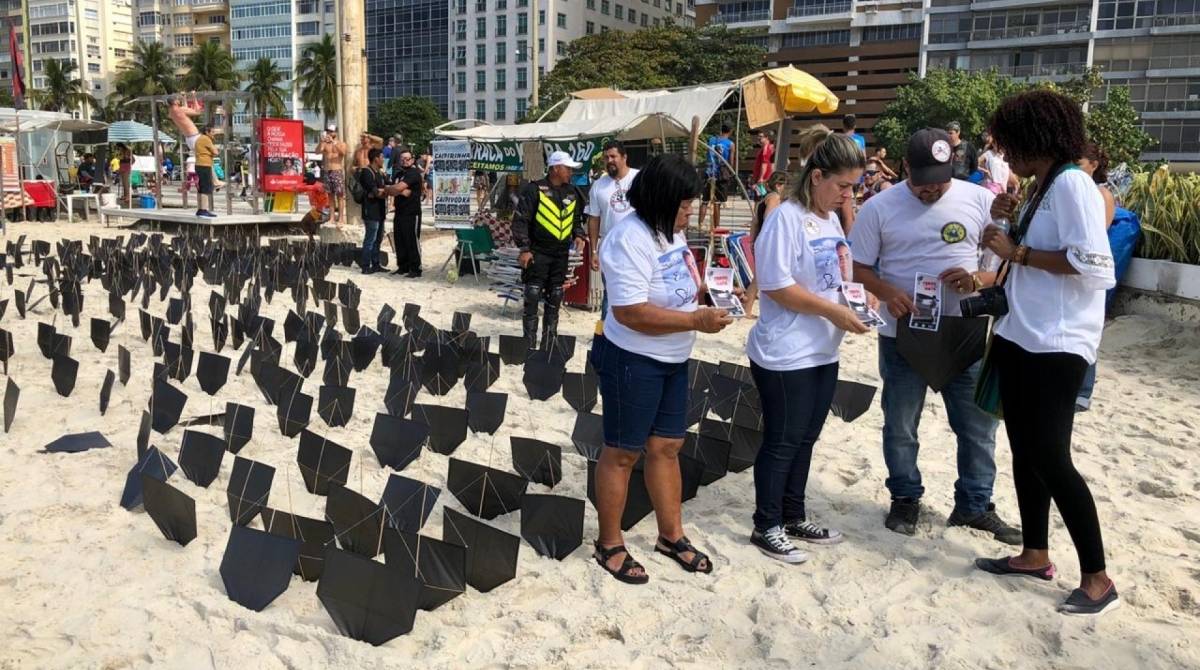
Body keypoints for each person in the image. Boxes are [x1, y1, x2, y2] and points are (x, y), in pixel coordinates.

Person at [975, 90, 1119, 616]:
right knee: (1023, 450)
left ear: (1035, 137)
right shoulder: (1044, 184)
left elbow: (1095, 265)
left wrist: (1019, 252)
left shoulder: (1074, 184)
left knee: (1053, 458)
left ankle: (1098, 579)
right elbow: (1027, 257)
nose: (1002, 153)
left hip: (1057, 344)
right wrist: (1007, 225)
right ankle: (1034, 552)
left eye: (1009, 143)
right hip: (1022, 333)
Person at [849, 128, 1021, 545]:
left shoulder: (979, 200)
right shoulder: (879, 207)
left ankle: (974, 505)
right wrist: (889, 293)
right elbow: (857, 267)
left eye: (940, 182)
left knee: (978, 428)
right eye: (924, 183)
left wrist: (975, 279)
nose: (932, 190)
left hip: (964, 331)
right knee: (901, 424)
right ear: (906, 168)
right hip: (902, 334)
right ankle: (905, 497)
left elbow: (1003, 262)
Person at [590, 152, 736, 583]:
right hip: (633, 359)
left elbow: (679, 286)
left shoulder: (671, 235)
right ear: (660, 199)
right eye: (685, 204)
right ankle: (609, 543)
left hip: (673, 358)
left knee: (667, 447)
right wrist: (695, 320)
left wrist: (712, 293)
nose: (690, 212)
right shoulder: (628, 239)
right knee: (622, 452)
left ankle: (670, 536)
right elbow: (632, 311)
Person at [747, 133, 869, 563]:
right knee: (782, 439)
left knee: (807, 438)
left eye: (853, 186)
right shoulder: (787, 218)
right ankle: (766, 524)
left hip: (823, 350)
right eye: (843, 186)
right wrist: (832, 312)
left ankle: (793, 514)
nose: (848, 195)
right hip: (786, 352)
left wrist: (857, 300)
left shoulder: (830, 218)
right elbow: (777, 286)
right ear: (817, 176)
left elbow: (833, 275)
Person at [512, 151, 588, 348]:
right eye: (567, 168)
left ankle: (549, 342)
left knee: (555, 296)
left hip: (561, 255)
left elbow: (576, 219)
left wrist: (579, 234)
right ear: (556, 168)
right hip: (538, 252)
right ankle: (528, 343)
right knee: (532, 295)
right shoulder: (534, 189)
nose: (570, 172)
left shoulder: (572, 192)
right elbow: (521, 220)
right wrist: (524, 249)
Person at [1073, 142, 1115, 412]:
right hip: (1074, 268)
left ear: (1094, 165)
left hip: (1090, 269)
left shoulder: (1101, 194)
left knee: (1088, 330)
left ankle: (1084, 391)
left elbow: (1097, 233)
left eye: (1079, 163)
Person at [586, 140, 639, 318]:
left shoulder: (639, 179)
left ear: (624, 157)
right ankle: (606, 336)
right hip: (610, 249)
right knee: (610, 294)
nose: (610, 160)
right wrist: (593, 250)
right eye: (606, 157)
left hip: (637, 247)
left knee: (637, 293)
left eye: (613, 156)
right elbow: (593, 219)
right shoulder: (598, 186)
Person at [359, 148, 399, 274]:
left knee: (378, 239)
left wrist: (385, 190)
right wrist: (384, 191)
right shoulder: (366, 172)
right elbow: (376, 192)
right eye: (382, 157)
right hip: (370, 211)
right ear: (376, 158)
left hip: (381, 211)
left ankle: (376, 264)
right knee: (370, 239)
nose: (383, 160)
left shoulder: (380, 173)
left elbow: (390, 186)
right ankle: (365, 266)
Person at [390, 148, 425, 277]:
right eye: (402, 159)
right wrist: (396, 190)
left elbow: (397, 188)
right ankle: (403, 266)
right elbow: (394, 190)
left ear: (412, 160)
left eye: (407, 159)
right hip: (399, 211)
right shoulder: (399, 174)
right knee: (399, 239)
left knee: (411, 240)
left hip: (411, 212)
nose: (405, 161)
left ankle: (415, 268)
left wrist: (396, 189)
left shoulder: (413, 173)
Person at [698, 123, 735, 230]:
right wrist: (731, 173)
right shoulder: (730, 144)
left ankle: (700, 224)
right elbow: (731, 162)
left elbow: (707, 155)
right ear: (730, 131)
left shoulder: (711, 140)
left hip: (709, 171)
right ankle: (716, 226)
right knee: (717, 202)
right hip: (720, 173)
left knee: (705, 200)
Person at [317, 124, 348, 227]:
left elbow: (343, 152)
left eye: (331, 131)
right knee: (330, 196)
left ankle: (341, 218)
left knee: (340, 195)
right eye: (328, 131)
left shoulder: (341, 143)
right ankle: (331, 217)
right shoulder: (325, 144)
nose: (329, 133)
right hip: (327, 171)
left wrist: (334, 142)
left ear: (336, 133)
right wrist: (322, 141)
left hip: (336, 170)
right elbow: (317, 152)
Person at [193, 125, 219, 218]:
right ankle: (204, 210)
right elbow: (216, 152)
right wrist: (214, 149)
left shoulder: (200, 139)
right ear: (207, 132)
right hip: (204, 165)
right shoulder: (206, 139)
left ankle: (200, 209)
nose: (214, 134)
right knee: (206, 188)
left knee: (201, 187)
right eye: (212, 132)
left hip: (199, 164)